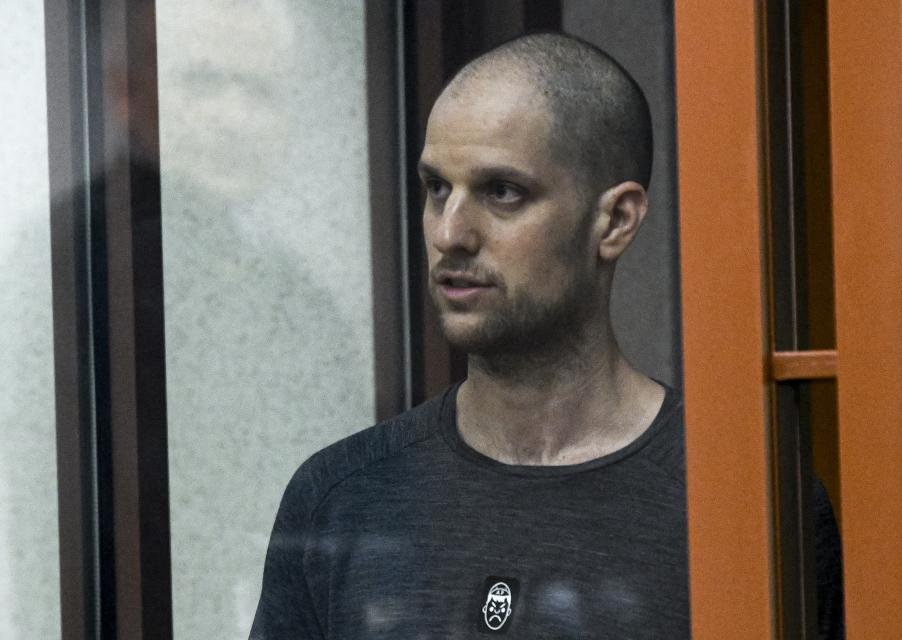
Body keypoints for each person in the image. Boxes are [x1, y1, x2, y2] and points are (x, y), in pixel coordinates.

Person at [250, 32, 843, 639]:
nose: (450, 233)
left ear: (613, 220)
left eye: (502, 192)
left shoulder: (744, 504)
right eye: (437, 189)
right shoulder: (342, 497)